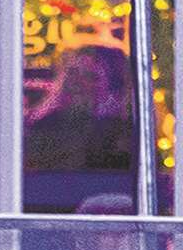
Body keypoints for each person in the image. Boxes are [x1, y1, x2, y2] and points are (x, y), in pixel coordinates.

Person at [23, 44, 137, 213]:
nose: (78, 83)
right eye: (73, 74)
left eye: (91, 77)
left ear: (115, 88)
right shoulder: (47, 126)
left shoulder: (128, 134)